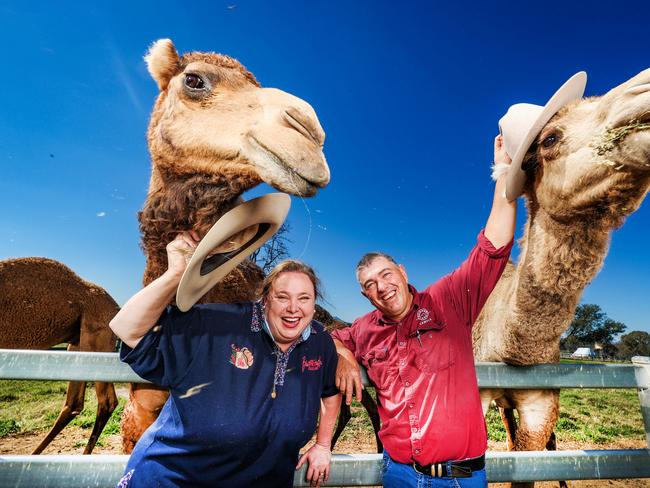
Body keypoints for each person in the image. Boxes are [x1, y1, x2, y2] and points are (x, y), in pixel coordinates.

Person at [331, 135, 516, 487]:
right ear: (364, 294)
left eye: (386, 275)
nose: (381, 287)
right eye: (370, 284)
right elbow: (328, 337)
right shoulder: (363, 329)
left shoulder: (449, 300)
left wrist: (504, 170)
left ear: (403, 272)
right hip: (399, 474)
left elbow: (493, 247)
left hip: (461, 477)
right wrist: (343, 353)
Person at [109, 231, 341, 488]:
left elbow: (330, 392)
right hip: (175, 479)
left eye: (304, 298)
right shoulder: (218, 325)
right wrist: (175, 274)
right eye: (282, 297)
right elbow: (127, 329)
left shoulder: (319, 341)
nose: (293, 308)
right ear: (265, 300)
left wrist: (322, 444)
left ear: (313, 303)